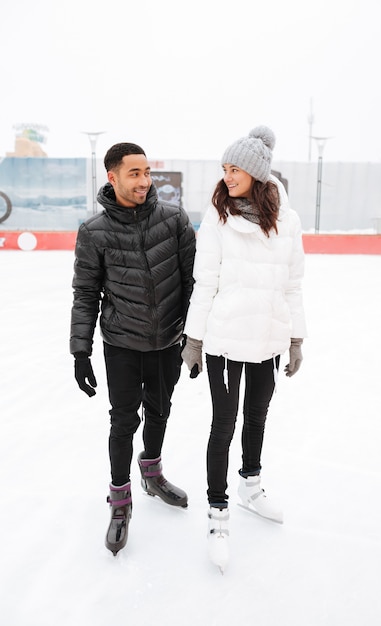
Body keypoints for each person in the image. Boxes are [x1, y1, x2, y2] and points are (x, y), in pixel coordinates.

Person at [181, 126, 307, 572]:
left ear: (256, 172)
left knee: (258, 415)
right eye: (224, 169)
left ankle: (251, 487)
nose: (227, 176)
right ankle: (218, 514)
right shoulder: (217, 219)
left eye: (235, 169)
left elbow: (292, 285)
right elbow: (205, 283)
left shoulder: (287, 222)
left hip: (268, 338)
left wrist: (295, 337)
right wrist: (194, 339)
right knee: (224, 422)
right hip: (226, 342)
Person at [70, 142, 196, 556]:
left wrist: (195, 338)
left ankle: (152, 473)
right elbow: (86, 294)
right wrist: (80, 350)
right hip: (122, 343)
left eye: (147, 173)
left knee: (160, 410)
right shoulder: (94, 232)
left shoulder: (175, 220)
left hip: (167, 342)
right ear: (113, 177)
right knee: (123, 422)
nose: (144, 181)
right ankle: (120, 501)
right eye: (134, 173)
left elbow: (192, 284)